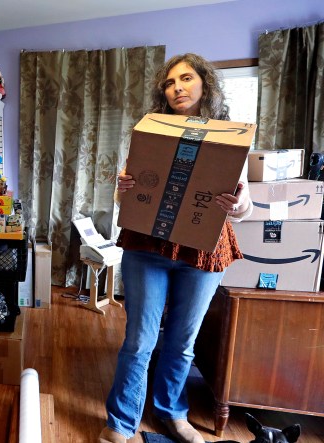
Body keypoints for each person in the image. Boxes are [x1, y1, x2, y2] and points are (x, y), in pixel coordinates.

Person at [99, 53, 252, 443]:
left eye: (185, 79)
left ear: (205, 85)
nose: (176, 88)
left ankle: (172, 412)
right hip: (148, 246)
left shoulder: (230, 137)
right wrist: (123, 191)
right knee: (139, 340)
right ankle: (121, 422)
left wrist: (238, 206)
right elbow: (130, 197)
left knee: (183, 342)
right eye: (169, 83)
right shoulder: (152, 133)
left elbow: (244, 206)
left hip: (203, 253)